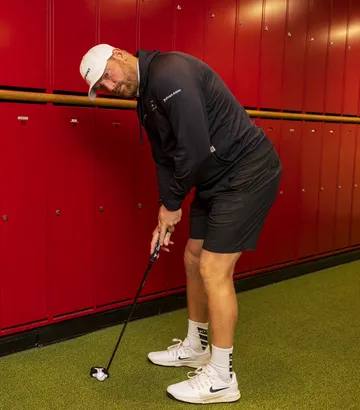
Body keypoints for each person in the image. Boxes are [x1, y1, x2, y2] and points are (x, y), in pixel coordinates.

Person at [79, 44, 282, 404]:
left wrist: (174, 204)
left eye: (107, 76)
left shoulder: (169, 72)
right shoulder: (145, 99)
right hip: (213, 178)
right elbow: (165, 158)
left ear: (120, 55)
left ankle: (222, 379)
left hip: (247, 172)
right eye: (102, 87)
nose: (110, 87)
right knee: (193, 258)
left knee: (213, 268)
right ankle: (196, 346)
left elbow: (194, 146)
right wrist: (165, 212)